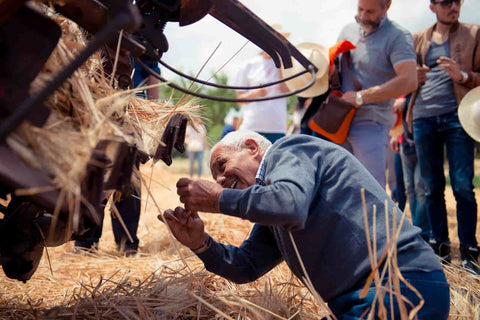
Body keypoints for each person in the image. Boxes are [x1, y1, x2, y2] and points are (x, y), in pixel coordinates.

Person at [160, 130, 449, 319]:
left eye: (222, 166)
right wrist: (200, 243)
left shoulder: (290, 150)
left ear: (252, 148)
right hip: (364, 301)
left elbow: (289, 203)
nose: (220, 180)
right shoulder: (272, 205)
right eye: (215, 177)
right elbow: (246, 266)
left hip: (399, 287)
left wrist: (219, 199)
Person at [407, 0, 480, 273]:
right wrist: (414, 78)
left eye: (458, 1)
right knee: (431, 187)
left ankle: (470, 252)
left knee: (462, 185)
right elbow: (403, 79)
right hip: (423, 118)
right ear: (432, 6)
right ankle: (441, 251)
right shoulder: (417, 39)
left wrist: (462, 75)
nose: (454, 7)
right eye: (446, 2)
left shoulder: (474, 33)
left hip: (458, 117)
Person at [336, 0, 418, 188]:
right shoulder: (347, 30)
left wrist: (361, 97)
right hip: (337, 123)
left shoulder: (398, 36)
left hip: (371, 123)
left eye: (370, 12)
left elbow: (409, 80)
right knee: (338, 190)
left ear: (387, 6)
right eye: (360, 10)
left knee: (369, 191)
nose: (363, 16)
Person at [234, 26, 291, 143]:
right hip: (252, 126)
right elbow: (239, 99)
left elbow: (287, 91)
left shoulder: (287, 65)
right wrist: (255, 94)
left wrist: (280, 64)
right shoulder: (248, 65)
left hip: (277, 128)